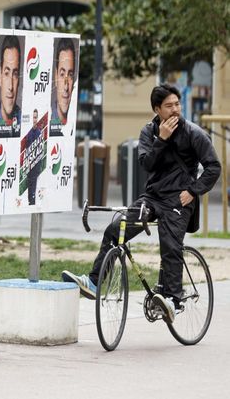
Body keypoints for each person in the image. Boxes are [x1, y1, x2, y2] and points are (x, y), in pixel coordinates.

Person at [62, 84, 220, 323]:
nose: (175, 109)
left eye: (177, 104)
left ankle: (174, 300)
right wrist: (162, 140)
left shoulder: (193, 133)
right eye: (169, 106)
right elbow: (147, 164)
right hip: (153, 197)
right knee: (115, 230)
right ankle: (94, 282)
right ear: (157, 109)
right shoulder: (149, 132)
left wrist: (193, 191)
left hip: (179, 199)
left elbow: (213, 167)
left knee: (169, 245)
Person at [0, 35, 22, 138]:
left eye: (15, 74)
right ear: (0, 77)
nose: (10, 86)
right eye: (6, 73)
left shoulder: (25, 124)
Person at [50, 38, 76, 137]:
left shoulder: (73, 123)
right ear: (55, 76)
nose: (66, 87)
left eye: (70, 75)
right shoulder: (46, 122)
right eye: (62, 74)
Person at [24, 109, 43, 205]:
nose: (34, 120)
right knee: (30, 187)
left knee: (33, 186)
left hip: (35, 166)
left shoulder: (39, 133)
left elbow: (41, 151)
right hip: (29, 165)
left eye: (35, 117)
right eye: (33, 117)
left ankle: (32, 201)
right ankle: (30, 202)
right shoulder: (28, 133)